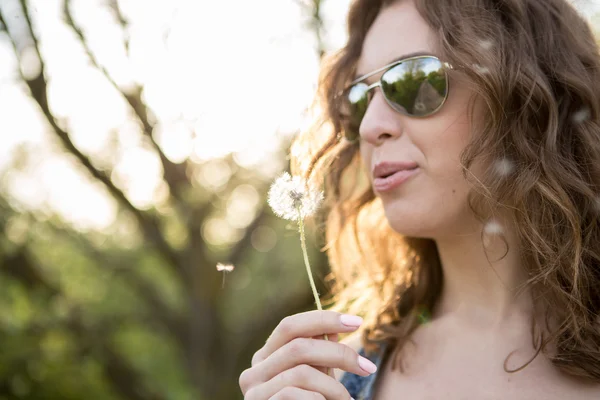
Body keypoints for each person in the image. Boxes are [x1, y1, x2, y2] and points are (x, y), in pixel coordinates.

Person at [239, 0, 600, 398]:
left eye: (412, 80)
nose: (372, 126)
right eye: (360, 98)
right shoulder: (339, 378)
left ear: (525, 94)